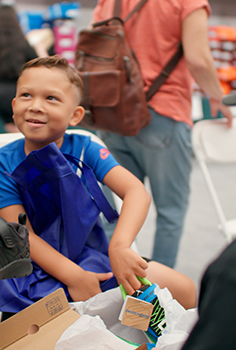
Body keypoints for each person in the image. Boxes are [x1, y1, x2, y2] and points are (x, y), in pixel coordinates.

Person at [0, 56, 196, 321]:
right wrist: (75, 277)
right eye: (27, 95)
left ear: (75, 115)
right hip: (35, 270)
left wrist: (119, 247)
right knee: (28, 337)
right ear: (14, 105)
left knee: (184, 292)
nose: (36, 106)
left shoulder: (86, 148)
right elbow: (22, 236)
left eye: (51, 98)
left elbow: (136, 193)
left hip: (95, 258)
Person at [91, 0, 234, 268]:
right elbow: (199, 59)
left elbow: (93, 49)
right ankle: (158, 292)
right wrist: (219, 98)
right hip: (163, 113)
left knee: (114, 213)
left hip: (113, 115)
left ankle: (109, 282)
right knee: (170, 212)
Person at [0, 4, 38, 133]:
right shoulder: (21, 41)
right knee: (21, 129)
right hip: (18, 88)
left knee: (5, 129)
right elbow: (35, 62)